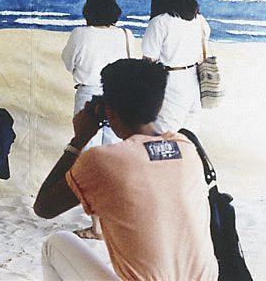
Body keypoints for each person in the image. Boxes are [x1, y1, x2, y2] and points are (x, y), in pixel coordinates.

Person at [34, 59, 218, 281]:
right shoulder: (186, 147)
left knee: (55, 244)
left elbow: (43, 208)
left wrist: (79, 139)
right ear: (159, 106)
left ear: (109, 111)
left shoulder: (101, 161)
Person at [61, 0, 134, 240]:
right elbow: (132, 64)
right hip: (118, 97)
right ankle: (114, 222)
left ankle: (97, 225)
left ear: (88, 8)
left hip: (87, 95)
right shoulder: (125, 35)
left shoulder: (80, 34)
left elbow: (68, 62)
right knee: (116, 160)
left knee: (89, 161)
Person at [142, 0, 211, 134]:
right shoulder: (199, 20)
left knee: (164, 138)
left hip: (170, 85)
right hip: (194, 83)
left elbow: (148, 62)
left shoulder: (159, 22)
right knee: (188, 139)